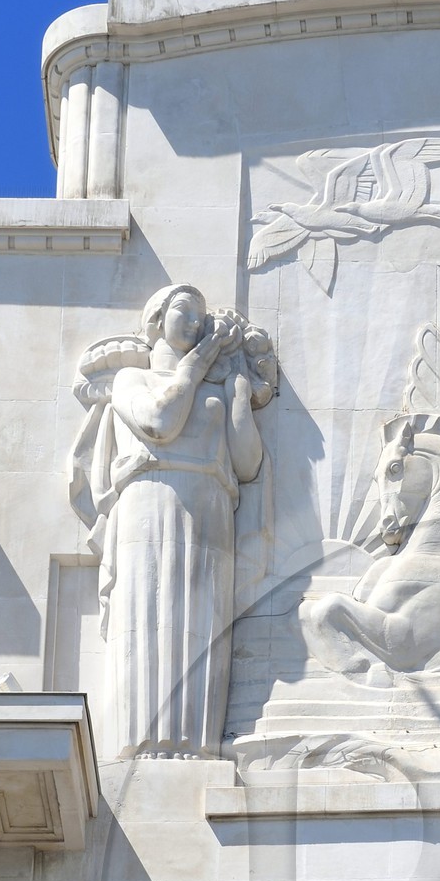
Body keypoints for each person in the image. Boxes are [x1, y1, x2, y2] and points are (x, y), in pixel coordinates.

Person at [70, 284, 276, 756]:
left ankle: (198, 745)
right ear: (157, 318)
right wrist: (198, 365)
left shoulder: (213, 388)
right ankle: (138, 743)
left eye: (201, 317)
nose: (195, 323)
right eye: (185, 311)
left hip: (210, 507)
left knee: (202, 623)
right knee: (147, 616)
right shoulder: (130, 380)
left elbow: (247, 464)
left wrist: (239, 390)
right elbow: (160, 421)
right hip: (149, 502)